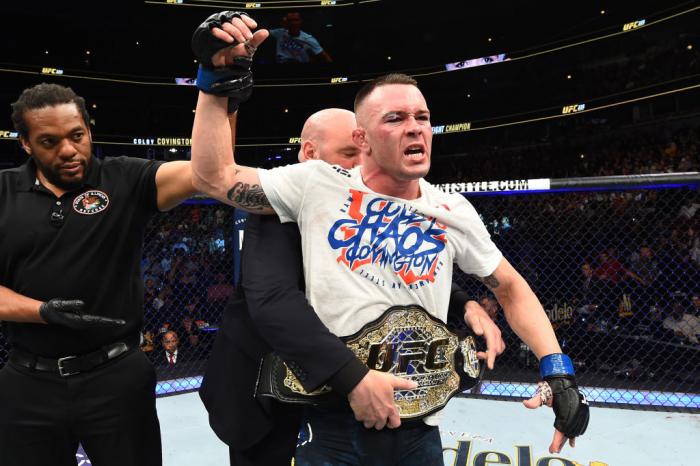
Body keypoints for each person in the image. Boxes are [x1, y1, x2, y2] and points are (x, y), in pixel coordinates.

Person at [190, 12, 588, 461]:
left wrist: (558, 371)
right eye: (395, 118)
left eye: (422, 117)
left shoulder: (453, 210)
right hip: (332, 417)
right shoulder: (319, 184)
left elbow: (512, 288)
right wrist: (213, 81)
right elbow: (213, 177)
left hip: (421, 423)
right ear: (363, 138)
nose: (415, 127)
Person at [199, 107, 504, 465]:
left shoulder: (362, 201)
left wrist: (464, 303)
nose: (362, 162)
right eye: (349, 153)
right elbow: (274, 301)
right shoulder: (282, 201)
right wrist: (354, 378)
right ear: (310, 154)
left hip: (339, 397)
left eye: (365, 151)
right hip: (267, 390)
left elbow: (394, 269)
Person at [0, 83, 195, 466]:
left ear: (89, 130)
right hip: (27, 381)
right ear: (25, 144)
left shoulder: (124, 178)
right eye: (49, 141)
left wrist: (216, 93)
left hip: (116, 375)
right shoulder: (3, 192)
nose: (69, 150)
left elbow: (205, 174)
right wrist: (41, 311)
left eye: (77, 135)